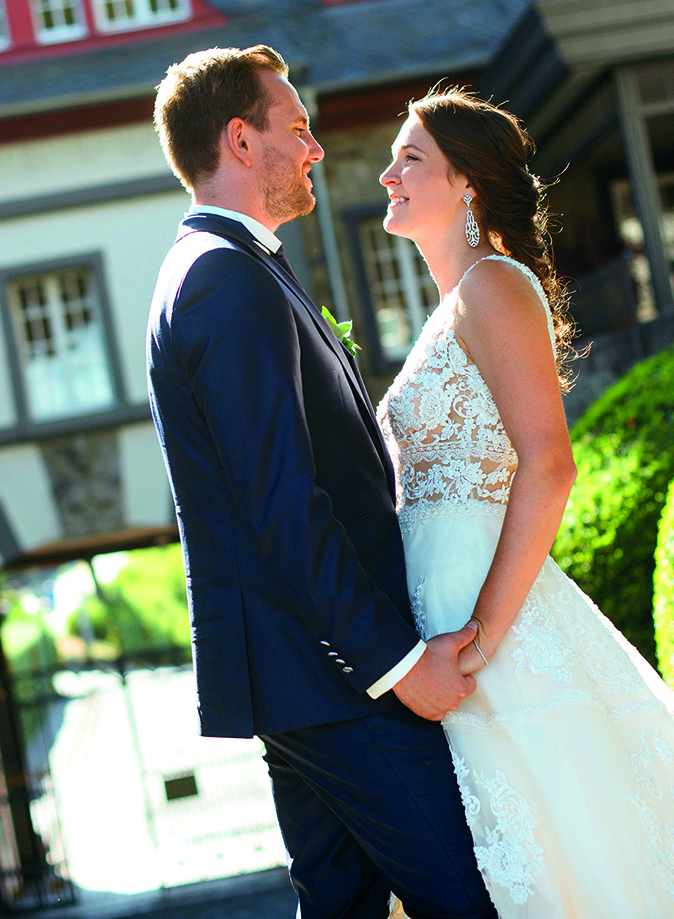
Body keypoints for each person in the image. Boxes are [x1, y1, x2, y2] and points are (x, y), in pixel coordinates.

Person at [375, 86, 674, 918]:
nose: (386, 174)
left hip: (486, 621)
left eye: (410, 157)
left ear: (468, 183)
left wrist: (480, 639)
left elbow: (549, 465)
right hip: (438, 612)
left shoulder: (494, 286)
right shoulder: (454, 305)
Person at [146, 47, 498, 919]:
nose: (315, 150)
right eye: (296, 130)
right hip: (337, 682)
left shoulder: (224, 267)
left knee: (339, 906)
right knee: (471, 895)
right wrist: (397, 666)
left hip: (299, 678)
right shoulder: (224, 281)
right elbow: (281, 505)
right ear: (240, 139)